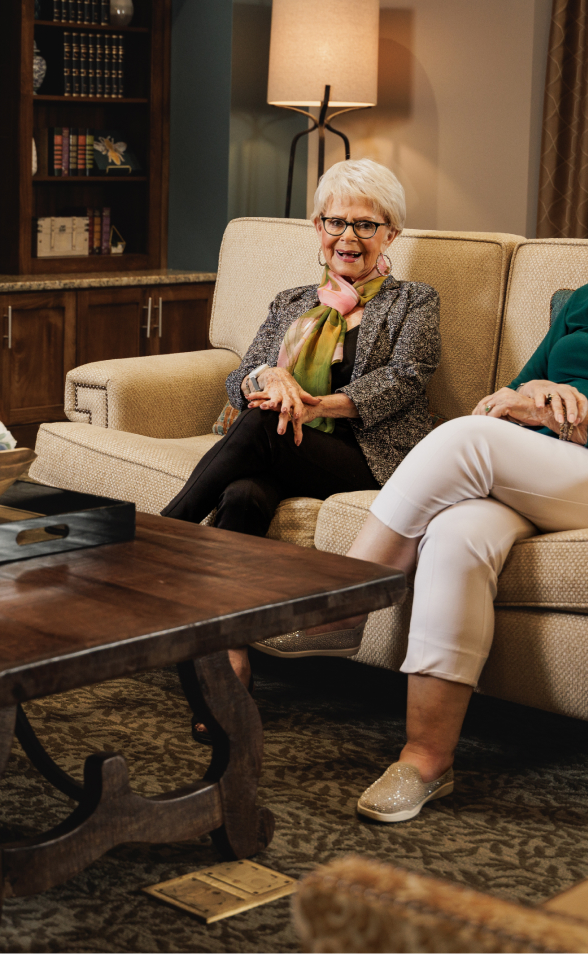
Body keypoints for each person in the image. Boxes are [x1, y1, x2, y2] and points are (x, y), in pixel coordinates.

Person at [262, 130, 588, 820]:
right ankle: (424, 762)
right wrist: (525, 404)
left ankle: (343, 600)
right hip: (549, 477)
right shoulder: (587, 299)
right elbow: (514, 394)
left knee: (467, 439)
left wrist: (575, 419)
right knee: (458, 533)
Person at [162, 158, 440, 743]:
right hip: (286, 450)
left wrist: (315, 404)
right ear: (317, 229)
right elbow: (243, 374)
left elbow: (407, 378)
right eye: (336, 222)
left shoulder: (414, 300)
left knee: (263, 426)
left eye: (367, 225)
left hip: (364, 456)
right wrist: (272, 378)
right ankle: (227, 667)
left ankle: (164, 536)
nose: (349, 237)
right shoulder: (292, 300)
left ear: (392, 233)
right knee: (240, 494)